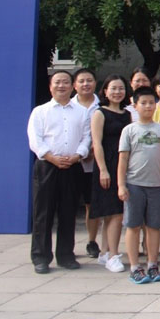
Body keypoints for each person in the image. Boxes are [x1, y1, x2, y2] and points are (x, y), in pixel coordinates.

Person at [27, 70, 91, 274]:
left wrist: (77, 155)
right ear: (50, 86)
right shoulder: (40, 111)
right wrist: (51, 157)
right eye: (57, 82)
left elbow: (87, 138)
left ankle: (66, 255)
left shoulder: (82, 112)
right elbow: (35, 139)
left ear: (72, 86)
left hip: (72, 166)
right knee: (42, 213)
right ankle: (41, 257)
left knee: (68, 212)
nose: (61, 86)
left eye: (65, 82)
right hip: (47, 165)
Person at [117, 86, 160, 284]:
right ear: (135, 105)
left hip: (157, 185)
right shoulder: (129, 130)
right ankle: (134, 266)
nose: (148, 106)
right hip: (134, 184)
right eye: (143, 103)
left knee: (153, 226)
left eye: (151, 102)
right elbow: (123, 160)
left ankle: (152, 264)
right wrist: (121, 185)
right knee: (133, 225)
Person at [90, 74, 133, 273]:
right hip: (106, 166)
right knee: (114, 212)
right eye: (113, 88)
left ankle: (105, 252)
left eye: (121, 88)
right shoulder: (100, 113)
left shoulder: (127, 114)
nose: (117, 92)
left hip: (122, 166)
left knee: (113, 212)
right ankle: (114, 255)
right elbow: (96, 143)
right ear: (105, 91)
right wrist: (103, 170)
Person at [72, 68, 102, 261]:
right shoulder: (69, 106)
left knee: (92, 205)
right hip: (72, 163)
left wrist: (92, 152)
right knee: (69, 204)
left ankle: (92, 241)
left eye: (89, 80)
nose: (85, 84)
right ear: (75, 85)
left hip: (95, 165)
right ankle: (67, 245)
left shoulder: (101, 106)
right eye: (81, 81)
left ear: (95, 83)